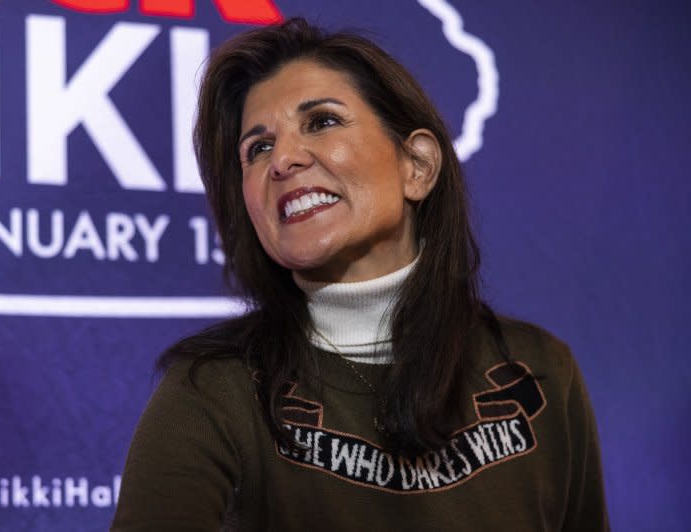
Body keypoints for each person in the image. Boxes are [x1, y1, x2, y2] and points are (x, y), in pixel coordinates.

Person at [111, 18, 609, 531]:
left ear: (417, 165)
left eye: (322, 121)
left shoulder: (541, 371)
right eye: (257, 149)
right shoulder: (214, 393)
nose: (283, 159)